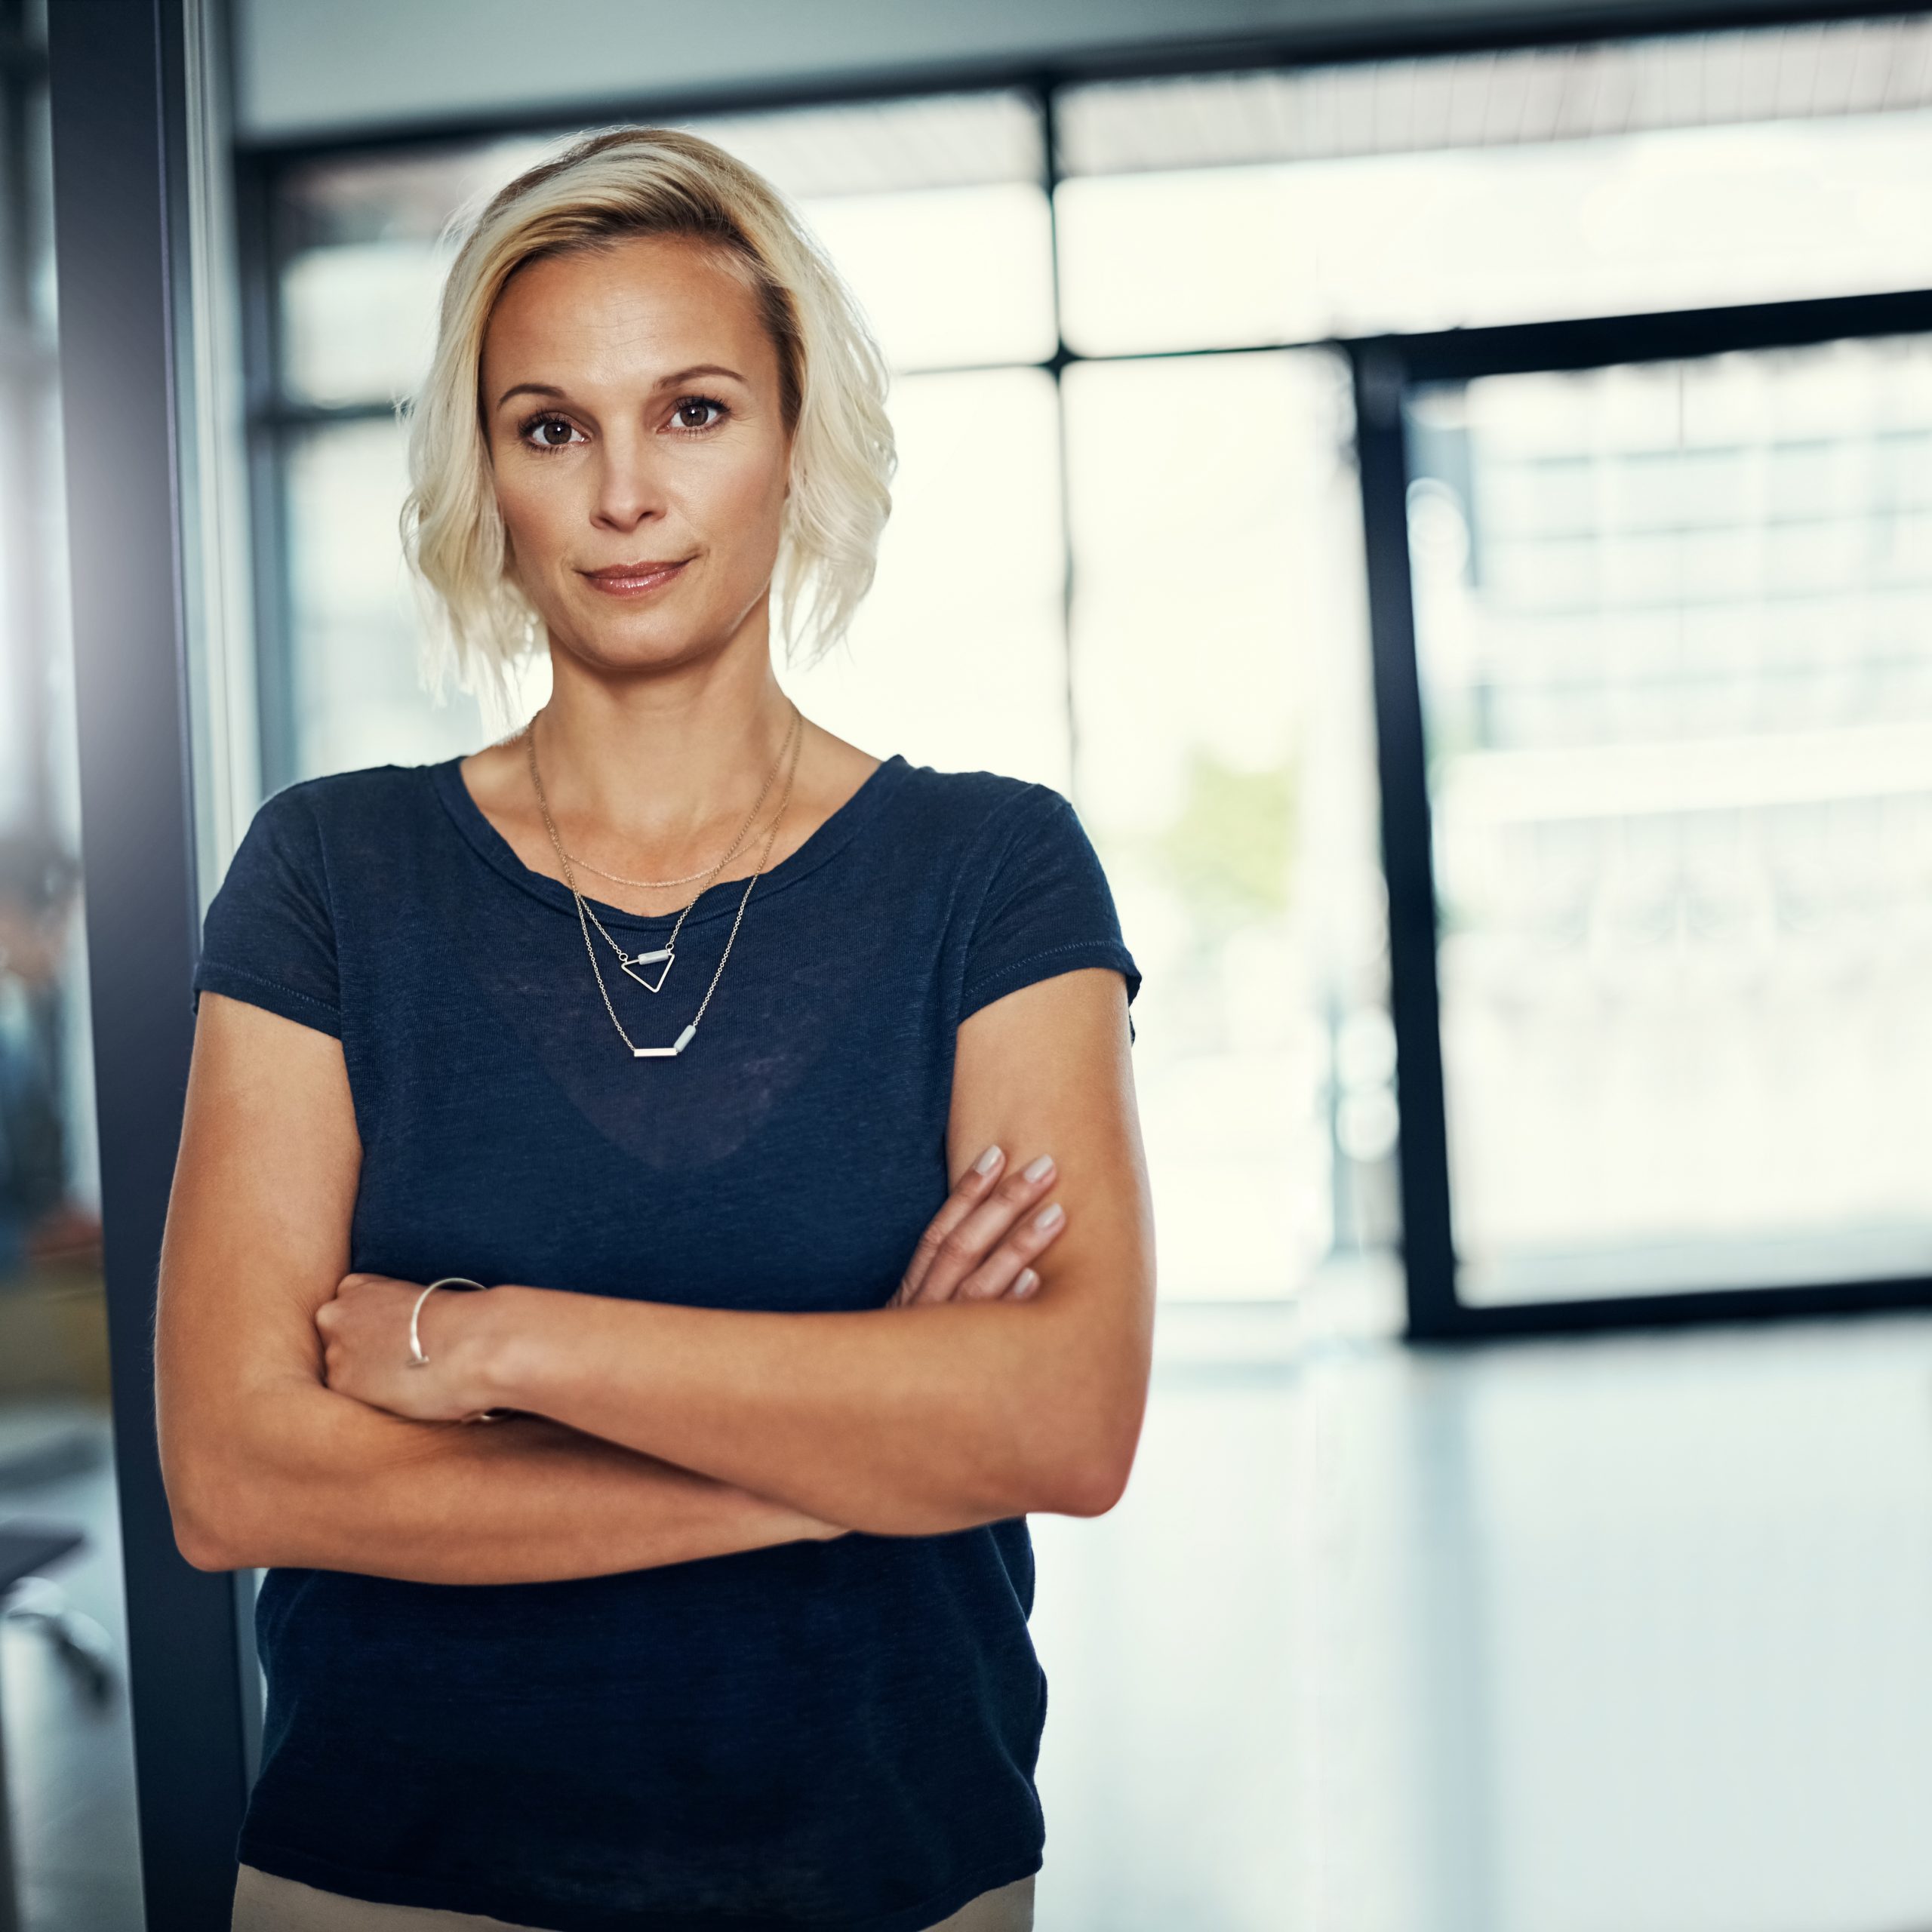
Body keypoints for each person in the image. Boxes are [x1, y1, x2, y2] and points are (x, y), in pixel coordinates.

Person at [158, 124, 1153, 1932]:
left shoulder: (990, 868)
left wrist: (490, 1343)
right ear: (487, 476)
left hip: (887, 1871)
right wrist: (864, 1437)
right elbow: (236, 1474)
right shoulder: (329, 869)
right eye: (553, 427)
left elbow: (1064, 1420)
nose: (625, 491)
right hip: (387, 1877)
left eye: (692, 409)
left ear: (796, 438)